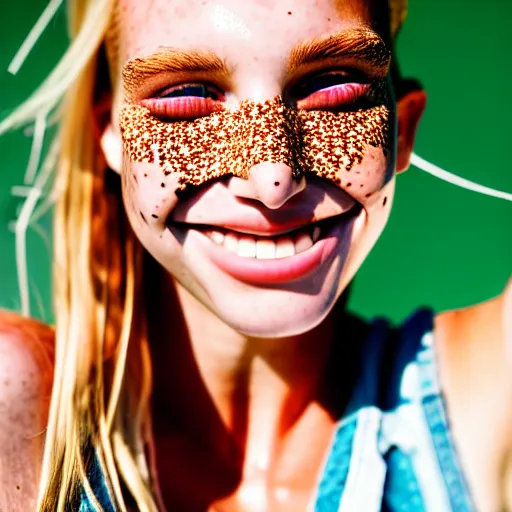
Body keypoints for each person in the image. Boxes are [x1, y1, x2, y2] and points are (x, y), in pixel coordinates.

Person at [0, 0, 511, 510]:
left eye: (334, 89)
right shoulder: (15, 409)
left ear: (402, 128)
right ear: (110, 134)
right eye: (187, 97)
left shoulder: (485, 401)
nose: (273, 179)